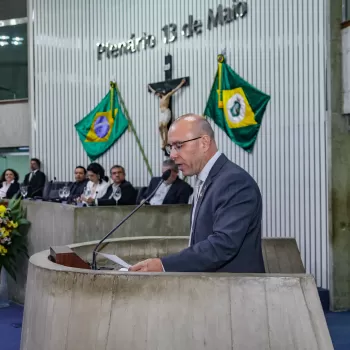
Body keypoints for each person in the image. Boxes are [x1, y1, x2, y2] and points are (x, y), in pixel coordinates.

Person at [129, 114, 265, 273]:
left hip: (234, 293)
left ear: (204, 143)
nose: (172, 155)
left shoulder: (234, 182)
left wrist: (164, 265)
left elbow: (222, 246)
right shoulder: (205, 180)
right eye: (170, 147)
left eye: (178, 145)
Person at [148, 78, 186, 150]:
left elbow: (175, 90)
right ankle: (163, 140)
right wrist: (150, 87)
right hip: (162, 113)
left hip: (166, 112)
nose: (158, 94)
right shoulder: (160, 98)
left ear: (162, 93)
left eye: (159, 93)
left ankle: (166, 141)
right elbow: (154, 92)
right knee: (160, 126)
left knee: (164, 125)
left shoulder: (167, 96)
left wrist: (181, 83)